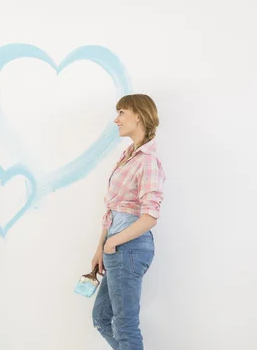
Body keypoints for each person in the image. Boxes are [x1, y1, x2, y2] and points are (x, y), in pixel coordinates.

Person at [91, 94, 165, 350]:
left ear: (139, 115)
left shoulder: (148, 161)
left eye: (121, 112)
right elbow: (112, 208)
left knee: (125, 325)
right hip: (117, 247)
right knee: (102, 318)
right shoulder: (128, 157)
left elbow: (150, 217)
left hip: (129, 248)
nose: (116, 119)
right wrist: (101, 247)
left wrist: (113, 243)